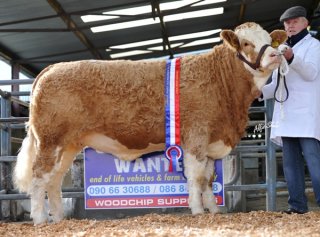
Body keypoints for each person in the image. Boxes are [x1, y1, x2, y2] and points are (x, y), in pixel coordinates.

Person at [262, 6, 320, 214]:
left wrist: (292, 58)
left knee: (315, 163)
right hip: (286, 114)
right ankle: (297, 206)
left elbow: (311, 73)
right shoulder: (281, 49)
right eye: (287, 23)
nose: (290, 25)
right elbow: (278, 84)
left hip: (305, 114)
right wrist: (257, 90)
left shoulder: (314, 46)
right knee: (290, 166)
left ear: (305, 23)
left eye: (295, 21)